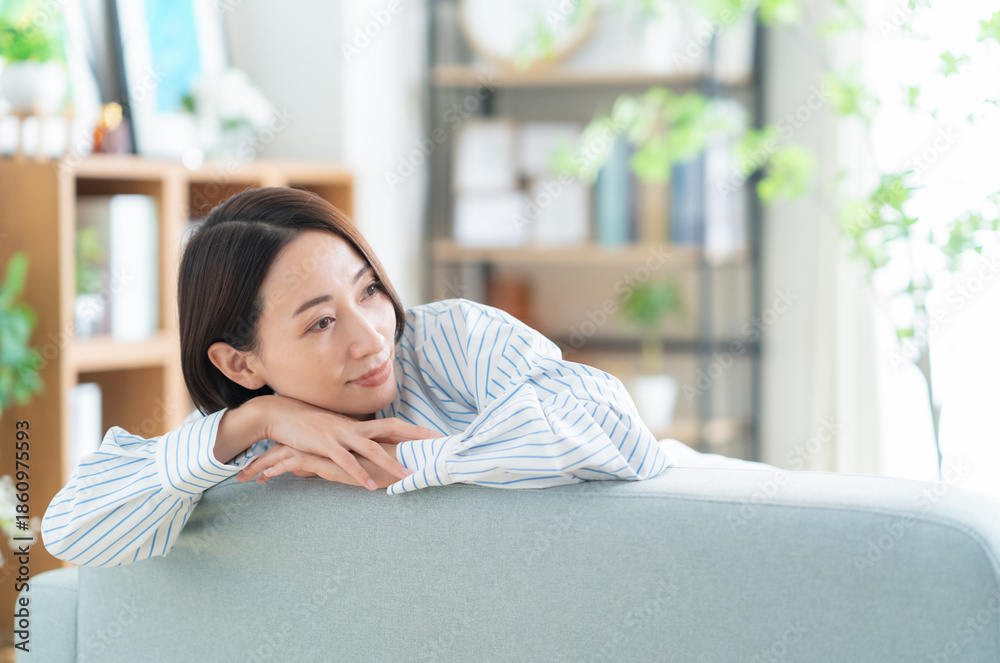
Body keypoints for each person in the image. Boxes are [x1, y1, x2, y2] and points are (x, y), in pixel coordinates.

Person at [40, 186, 748, 570]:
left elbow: (620, 434)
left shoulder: (451, 340)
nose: (371, 336)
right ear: (240, 364)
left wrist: (418, 460)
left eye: (370, 289)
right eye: (321, 322)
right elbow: (69, 531)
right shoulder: (247, 450)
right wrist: (254, 420)